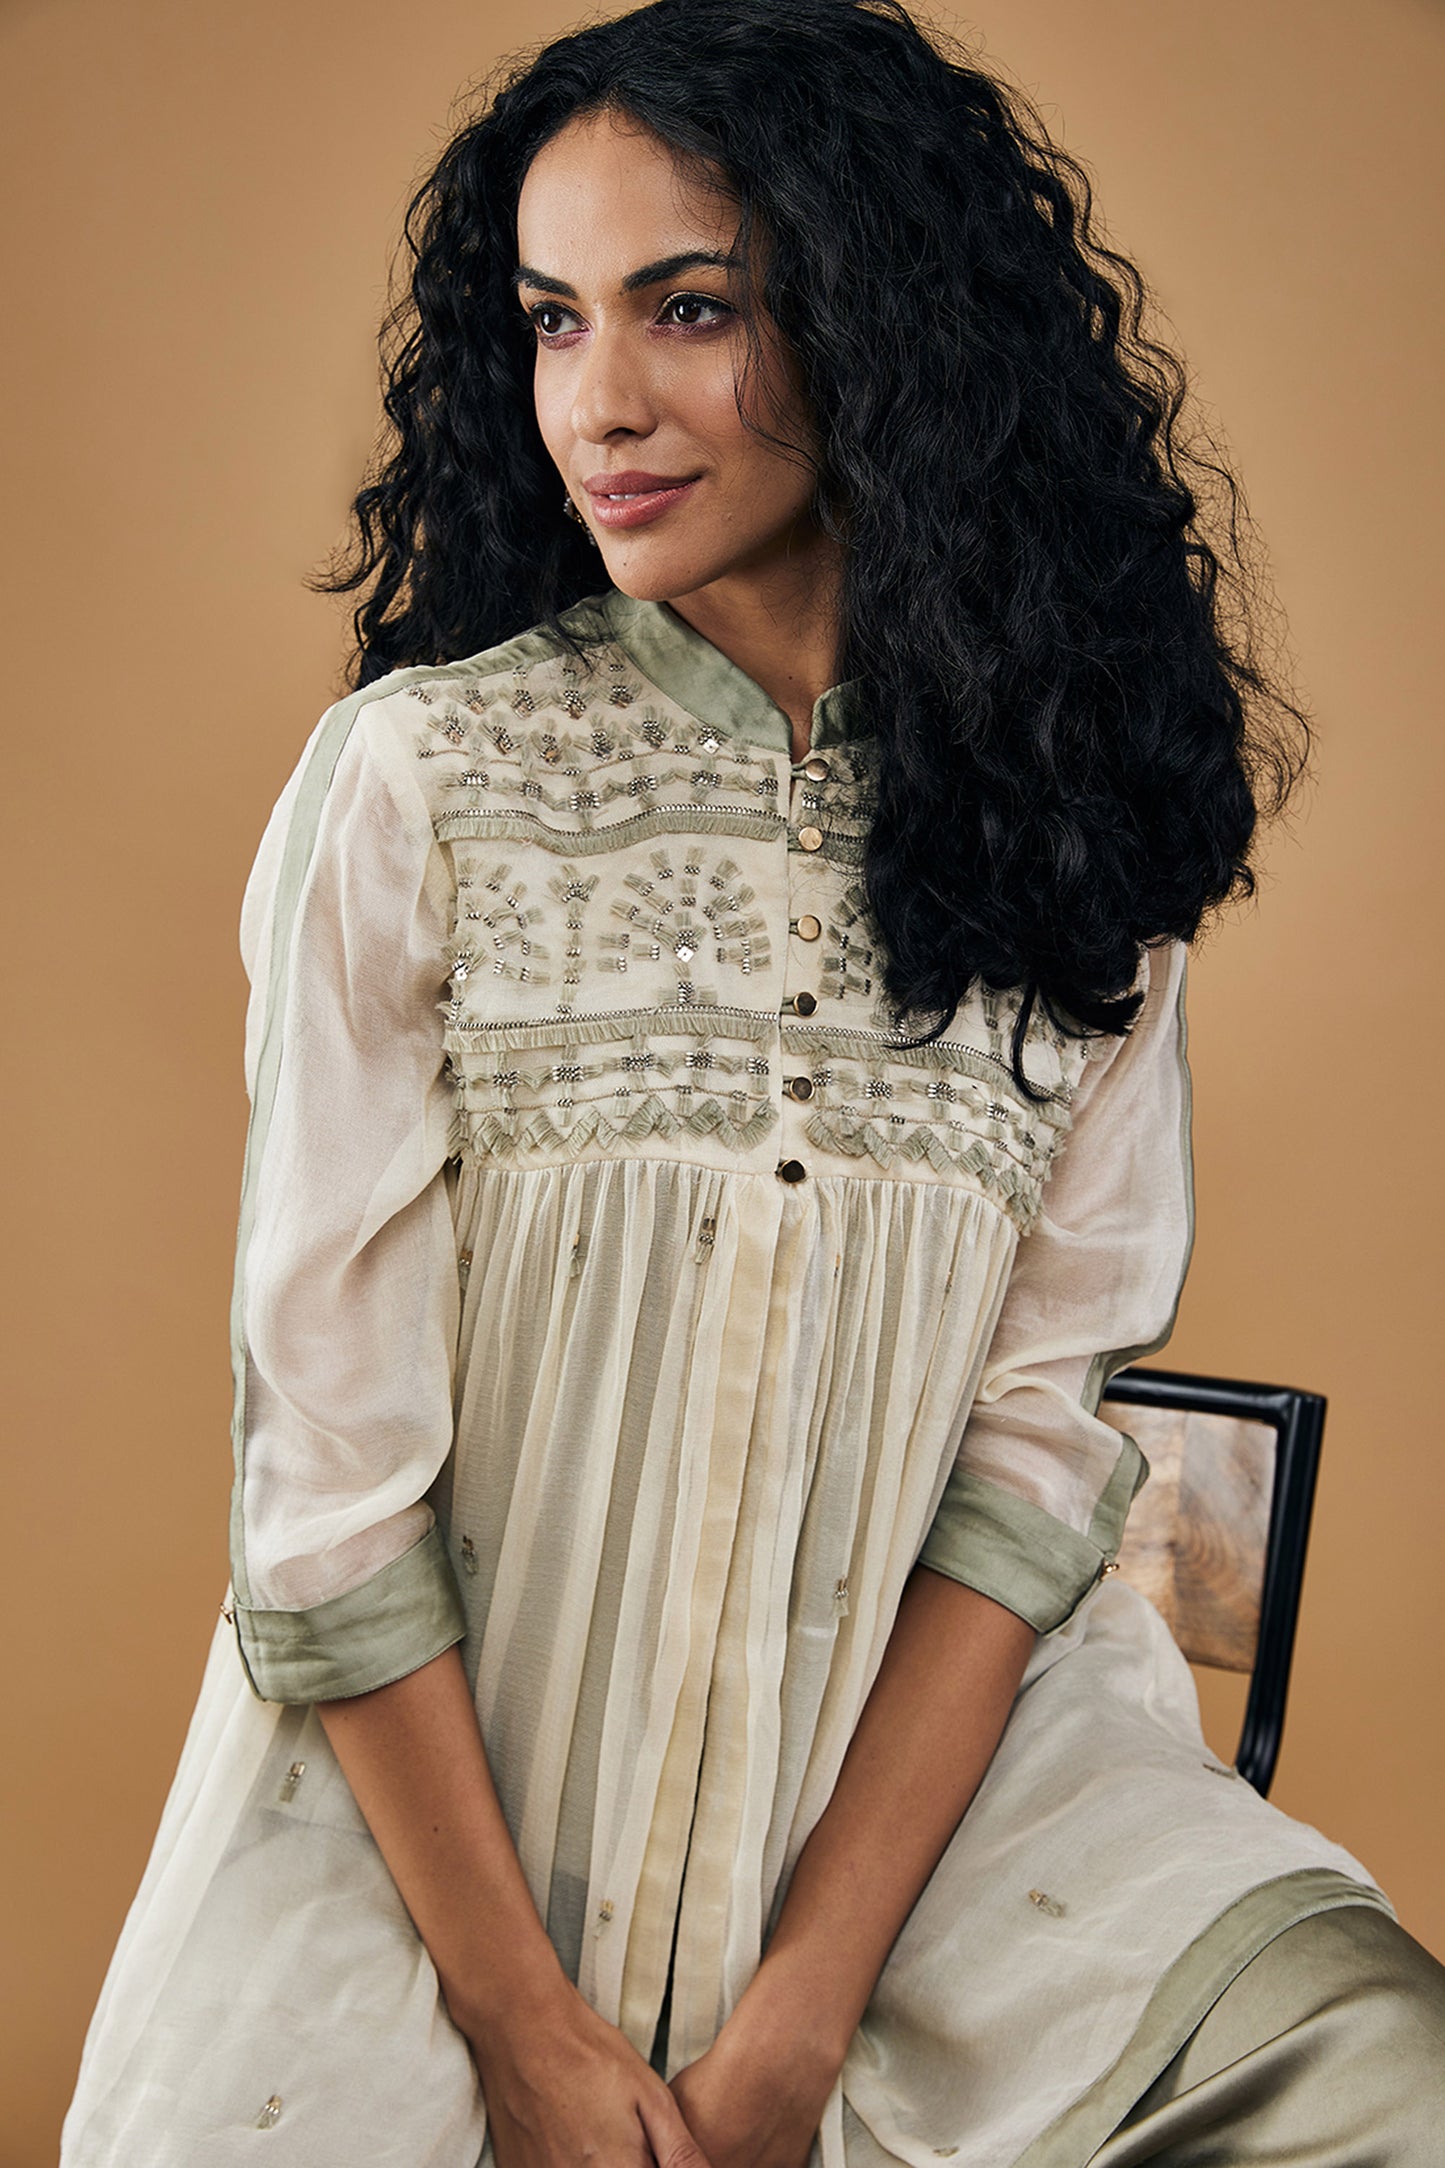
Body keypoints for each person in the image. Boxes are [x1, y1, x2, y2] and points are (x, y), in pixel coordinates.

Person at [61, 2, 1445, 2162]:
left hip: (946, 1860)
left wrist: (800, 2012)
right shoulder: (426, 786)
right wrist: (521, 2028)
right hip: (434, 1870)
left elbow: (1028, 1464)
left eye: (687, 308)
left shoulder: (1074, 858)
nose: (597, 403)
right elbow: (325, 1495)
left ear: (887, 330)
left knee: (1384, 2079)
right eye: (552, 321)